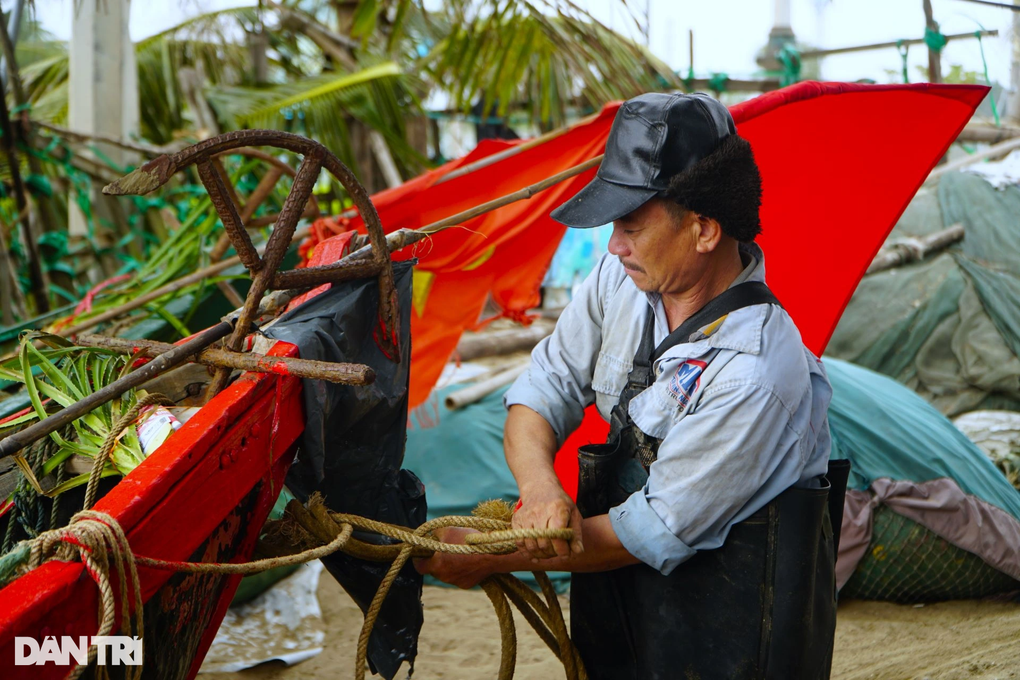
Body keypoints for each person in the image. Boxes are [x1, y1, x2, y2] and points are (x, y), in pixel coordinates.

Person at [415, 92, 845, 679]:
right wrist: (540, 489)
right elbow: (543, 387)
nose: (614, 245)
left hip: (738, 644)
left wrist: (489, 556)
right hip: (629, 626)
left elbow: (653, 529)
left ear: (703, 229)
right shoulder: (619, 283)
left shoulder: (756, 371)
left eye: (632, 225)